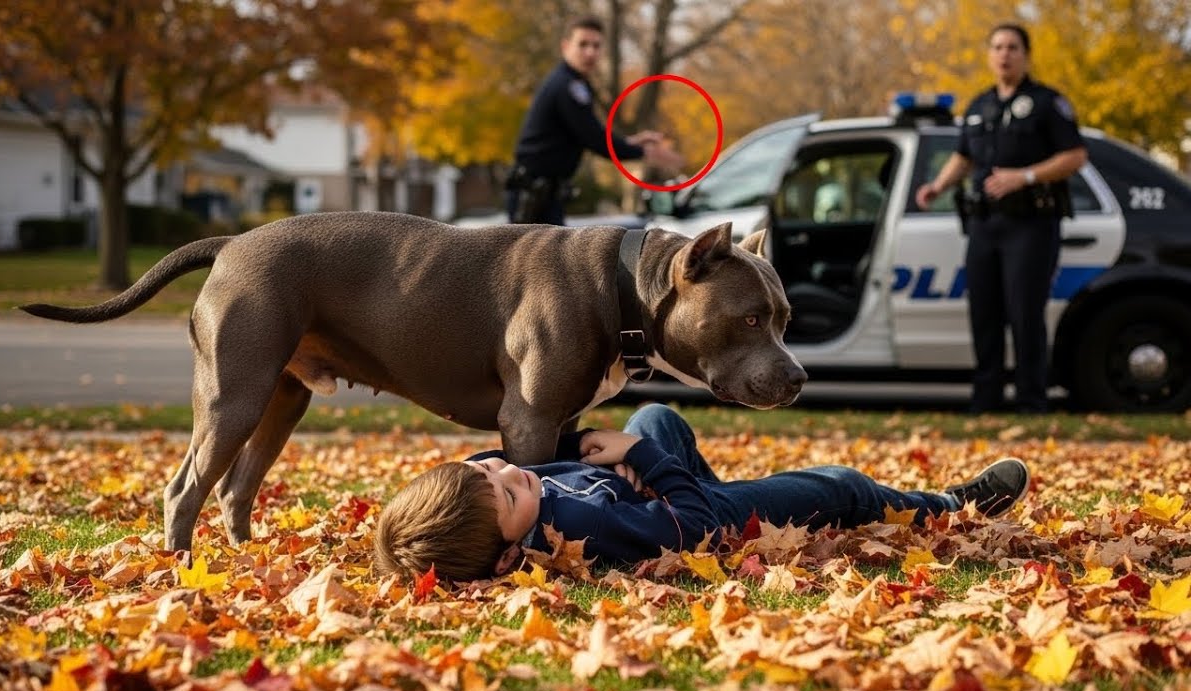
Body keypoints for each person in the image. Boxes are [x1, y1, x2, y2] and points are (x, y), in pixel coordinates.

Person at [374, 404, 1030, 582]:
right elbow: (685, 529)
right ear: (503, 559)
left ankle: (666, 455)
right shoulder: (587, 524)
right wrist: (640, 460)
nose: (511, 474)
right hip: (707, 520)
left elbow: (499, 460)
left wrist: (586, 445)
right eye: (507, 496)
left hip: (642, 489)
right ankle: (949, 505)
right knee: (842, 485)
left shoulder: (500, 492)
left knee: (656, 414)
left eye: (488, 472)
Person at [915, 23, 1087, 414]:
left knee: (1025, 314)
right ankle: (985, 401)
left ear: (1026, 55)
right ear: (989, 55)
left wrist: (1023, 176)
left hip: (1031, 225)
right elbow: (964, 156)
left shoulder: (1047, 103)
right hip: (984, 225)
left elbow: (1075, 156)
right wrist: (937, 186)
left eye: (1012, 47)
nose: (1004, 54)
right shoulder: (979, 106)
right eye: (997, 47)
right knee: (985, 313)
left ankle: (1031, 401)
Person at [506, 15, 683, 224]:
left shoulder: (576, 84)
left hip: (545, 195)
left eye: (596, 46)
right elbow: (595, 140)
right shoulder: (567, 86)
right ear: (565, 47)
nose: (590, 52)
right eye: (583, 45)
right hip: (533, 197)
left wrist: (631, 142)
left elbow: (592, 134)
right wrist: (646, 152)